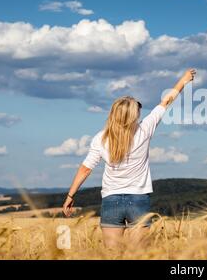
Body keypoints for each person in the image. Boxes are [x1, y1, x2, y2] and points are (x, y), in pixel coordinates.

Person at [62, 68, 196, 248]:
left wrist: (71, 195)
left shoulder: (101, 138)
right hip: (139, 200)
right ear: (134, 116)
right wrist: (184, 80)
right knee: (138, 256)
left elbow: (86, 168)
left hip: (111, 200)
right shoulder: (144, 129)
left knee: (112, 255)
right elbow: (167, 101)